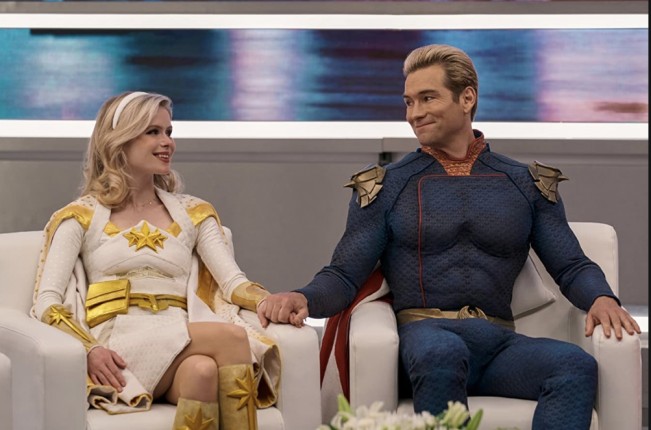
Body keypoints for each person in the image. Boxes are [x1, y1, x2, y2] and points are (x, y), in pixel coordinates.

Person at [257, 44, 641, 429]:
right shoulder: (386, 186)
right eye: (409, 102)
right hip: (424, 343)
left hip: (497, 345)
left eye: (428, 98)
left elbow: (570, 265)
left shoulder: (525, 183)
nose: (414, 113)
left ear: (467, 98)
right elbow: (344, 275)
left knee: (574, 365)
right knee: (443, 351)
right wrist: (302, 297)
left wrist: (602, 298)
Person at [31, 91, 279, 430]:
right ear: (120, 140)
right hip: (118, 344)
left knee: (202, 372)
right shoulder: (80, 216)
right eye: (153, 132)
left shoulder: (194, 212)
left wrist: (269, 301)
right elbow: (47, 301)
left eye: (169, 132)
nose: (167, 143)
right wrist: (89, 349)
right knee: (233, 339)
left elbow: (233, 283)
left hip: (179, 335)